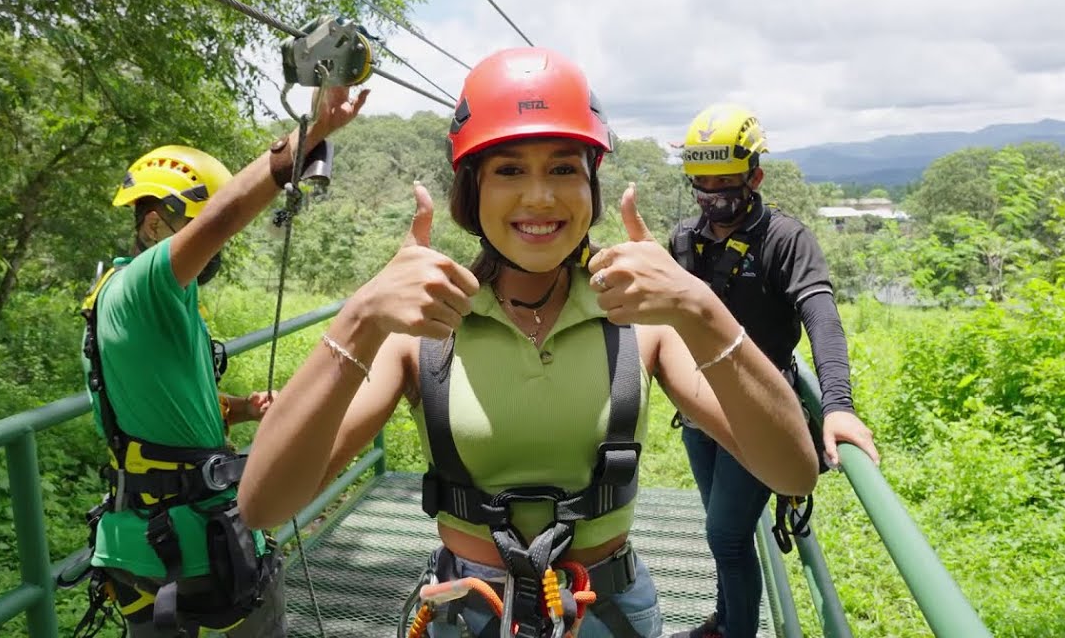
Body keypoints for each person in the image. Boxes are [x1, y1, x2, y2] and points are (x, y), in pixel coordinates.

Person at [237, 47, 820, 638]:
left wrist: (701, 309)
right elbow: (265, 505)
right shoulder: (427, 326)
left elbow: (793, 471)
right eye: (509, 171)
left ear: (591, 186)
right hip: (469, 611)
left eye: (564, 169)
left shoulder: (639, 319)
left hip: (606, 610)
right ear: (472, 191)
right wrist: (359, 319)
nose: (539, 197)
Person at [76, 84, 370, 637]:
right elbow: (225, 215)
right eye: (192, 227)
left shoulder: (143, 301)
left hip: (138, 538)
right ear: (155, 224)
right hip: (195, 542)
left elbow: (165, 409)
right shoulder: (144, 287)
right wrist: (312, 134)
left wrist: (242, 408)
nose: (213, 249)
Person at [666, 103, 880, 638]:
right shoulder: (685, 240)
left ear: (755, 177)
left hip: (761, 409)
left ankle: (735, 629)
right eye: (701, 183)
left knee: (727, 536)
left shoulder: (785, 240)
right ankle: (726, 617)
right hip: (700, 410)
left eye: (725, 182)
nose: (712, 194)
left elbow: (821, 318)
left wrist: (838, 405)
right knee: (722, 531)